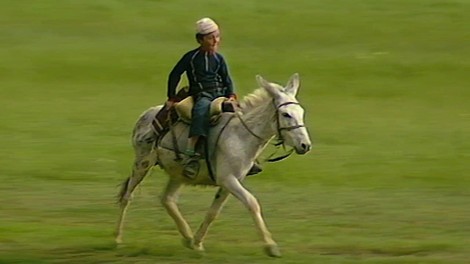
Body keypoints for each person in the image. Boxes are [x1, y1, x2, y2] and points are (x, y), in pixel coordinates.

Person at [166, 17, 261, 178]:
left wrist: (231, 95)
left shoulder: (219, 59)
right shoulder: (191, 58)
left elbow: (227, 79)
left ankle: (247, 157)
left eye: (217, 36)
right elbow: (174, 75)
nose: (215, 40)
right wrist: (172, 97)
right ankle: (191, 154)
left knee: (241, 116)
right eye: (211, 37)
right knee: (201, 111)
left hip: (220, 95)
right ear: (200, 39)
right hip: (203, 95)